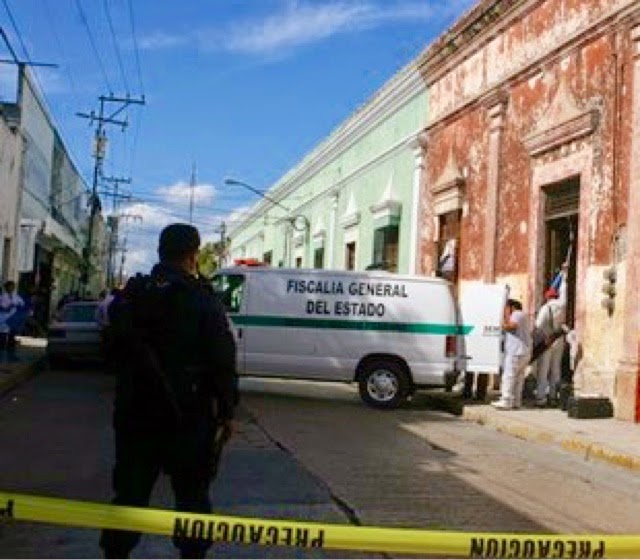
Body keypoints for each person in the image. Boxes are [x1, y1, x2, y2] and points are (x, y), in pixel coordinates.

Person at [99, 223, 238, 559]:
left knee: (130, 497)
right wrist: (228, 412)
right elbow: (222, 360)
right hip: (188, 417)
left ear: (160, 252)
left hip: (137, 415)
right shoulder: (202, 298)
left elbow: (110, 353)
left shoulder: (132, 295)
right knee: (191, 498)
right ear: (193, 256)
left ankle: (115, 554)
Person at [492, 298, 532, 410]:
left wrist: (501, 324)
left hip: (516, 351)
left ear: (512, 307)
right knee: (518, 377)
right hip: (524, 350)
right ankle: (516, 401)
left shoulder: (516, 314)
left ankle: (506, 400)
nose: (505, 311)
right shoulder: (524, 315)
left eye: (506, 308)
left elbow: (512, 326)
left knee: (509, 376)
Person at [534, 284, 567, 407]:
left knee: (543, 370)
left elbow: (538, 326)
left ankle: (541, 397)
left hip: (548, 341)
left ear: (547, 298)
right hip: (559, 339)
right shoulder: (562, 306)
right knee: (556, 369)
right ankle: (554, 396)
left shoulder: (545, 308)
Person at [0, 281, 25, 352]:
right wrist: (4, 308)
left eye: (12, 287)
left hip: (13, 317)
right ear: (6, 288)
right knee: (3, 333)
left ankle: (10, 349)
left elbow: (22, 305)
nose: (11, 288)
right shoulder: (2, 297)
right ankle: (2, 348)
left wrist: (16, 306)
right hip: (3, 317)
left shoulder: (17, 297)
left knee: (12, 333)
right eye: (9, 287)